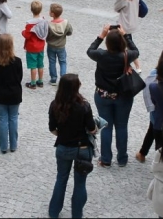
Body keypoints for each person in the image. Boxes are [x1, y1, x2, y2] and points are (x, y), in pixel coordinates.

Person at [86, 24, 139, 167]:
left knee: (106, 127)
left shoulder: (101, 55)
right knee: (122, 126)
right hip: (123, 95)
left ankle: (106, 159)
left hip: (103, 95)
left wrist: (101, 35)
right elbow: (136, 51)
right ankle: (122, 158)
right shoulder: (126, 56)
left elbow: (90, 50)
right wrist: (126, 35)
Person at [48, 73, 97, 219]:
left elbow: (52, 128)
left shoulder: (55, 105)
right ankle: (77, 214)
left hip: (63, 147)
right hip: (82, 148)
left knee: (61, 179)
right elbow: (92, 128)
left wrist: (63, 134)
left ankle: (54, 212)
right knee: (80, 183)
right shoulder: (84, 106)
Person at [0, 34, 22, 153]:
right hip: (14, 94)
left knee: (2, 119)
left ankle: (3, 146)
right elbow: (19, 78)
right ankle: (13, 145)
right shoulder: (17, 61)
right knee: (13, 118)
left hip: (0, 94)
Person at [114, 0, 142, 72]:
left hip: (124, 24)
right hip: (133, 22)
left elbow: (116, 8)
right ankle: (131, 65)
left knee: (127, 44)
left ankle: (136, 66)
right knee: (126, 43)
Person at [22, 0, 49, 89]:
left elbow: (27, 35)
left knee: (33, 66)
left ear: (31, 10)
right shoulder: (43, 21)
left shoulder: (30, 24)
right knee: (40, 64)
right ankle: (40, 81)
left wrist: (23, 32)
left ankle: (33, 83)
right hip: (41, 46)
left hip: (32, 47)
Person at [46, 3, 73, 85]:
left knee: (52, 61)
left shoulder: (49, 24)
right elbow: (70, 32)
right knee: (63, 62)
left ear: (52, 14)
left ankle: (53, 79)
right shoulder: (66, 23)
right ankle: (63, 79)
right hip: (61, 46)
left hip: (51, 46)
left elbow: (46, 34)